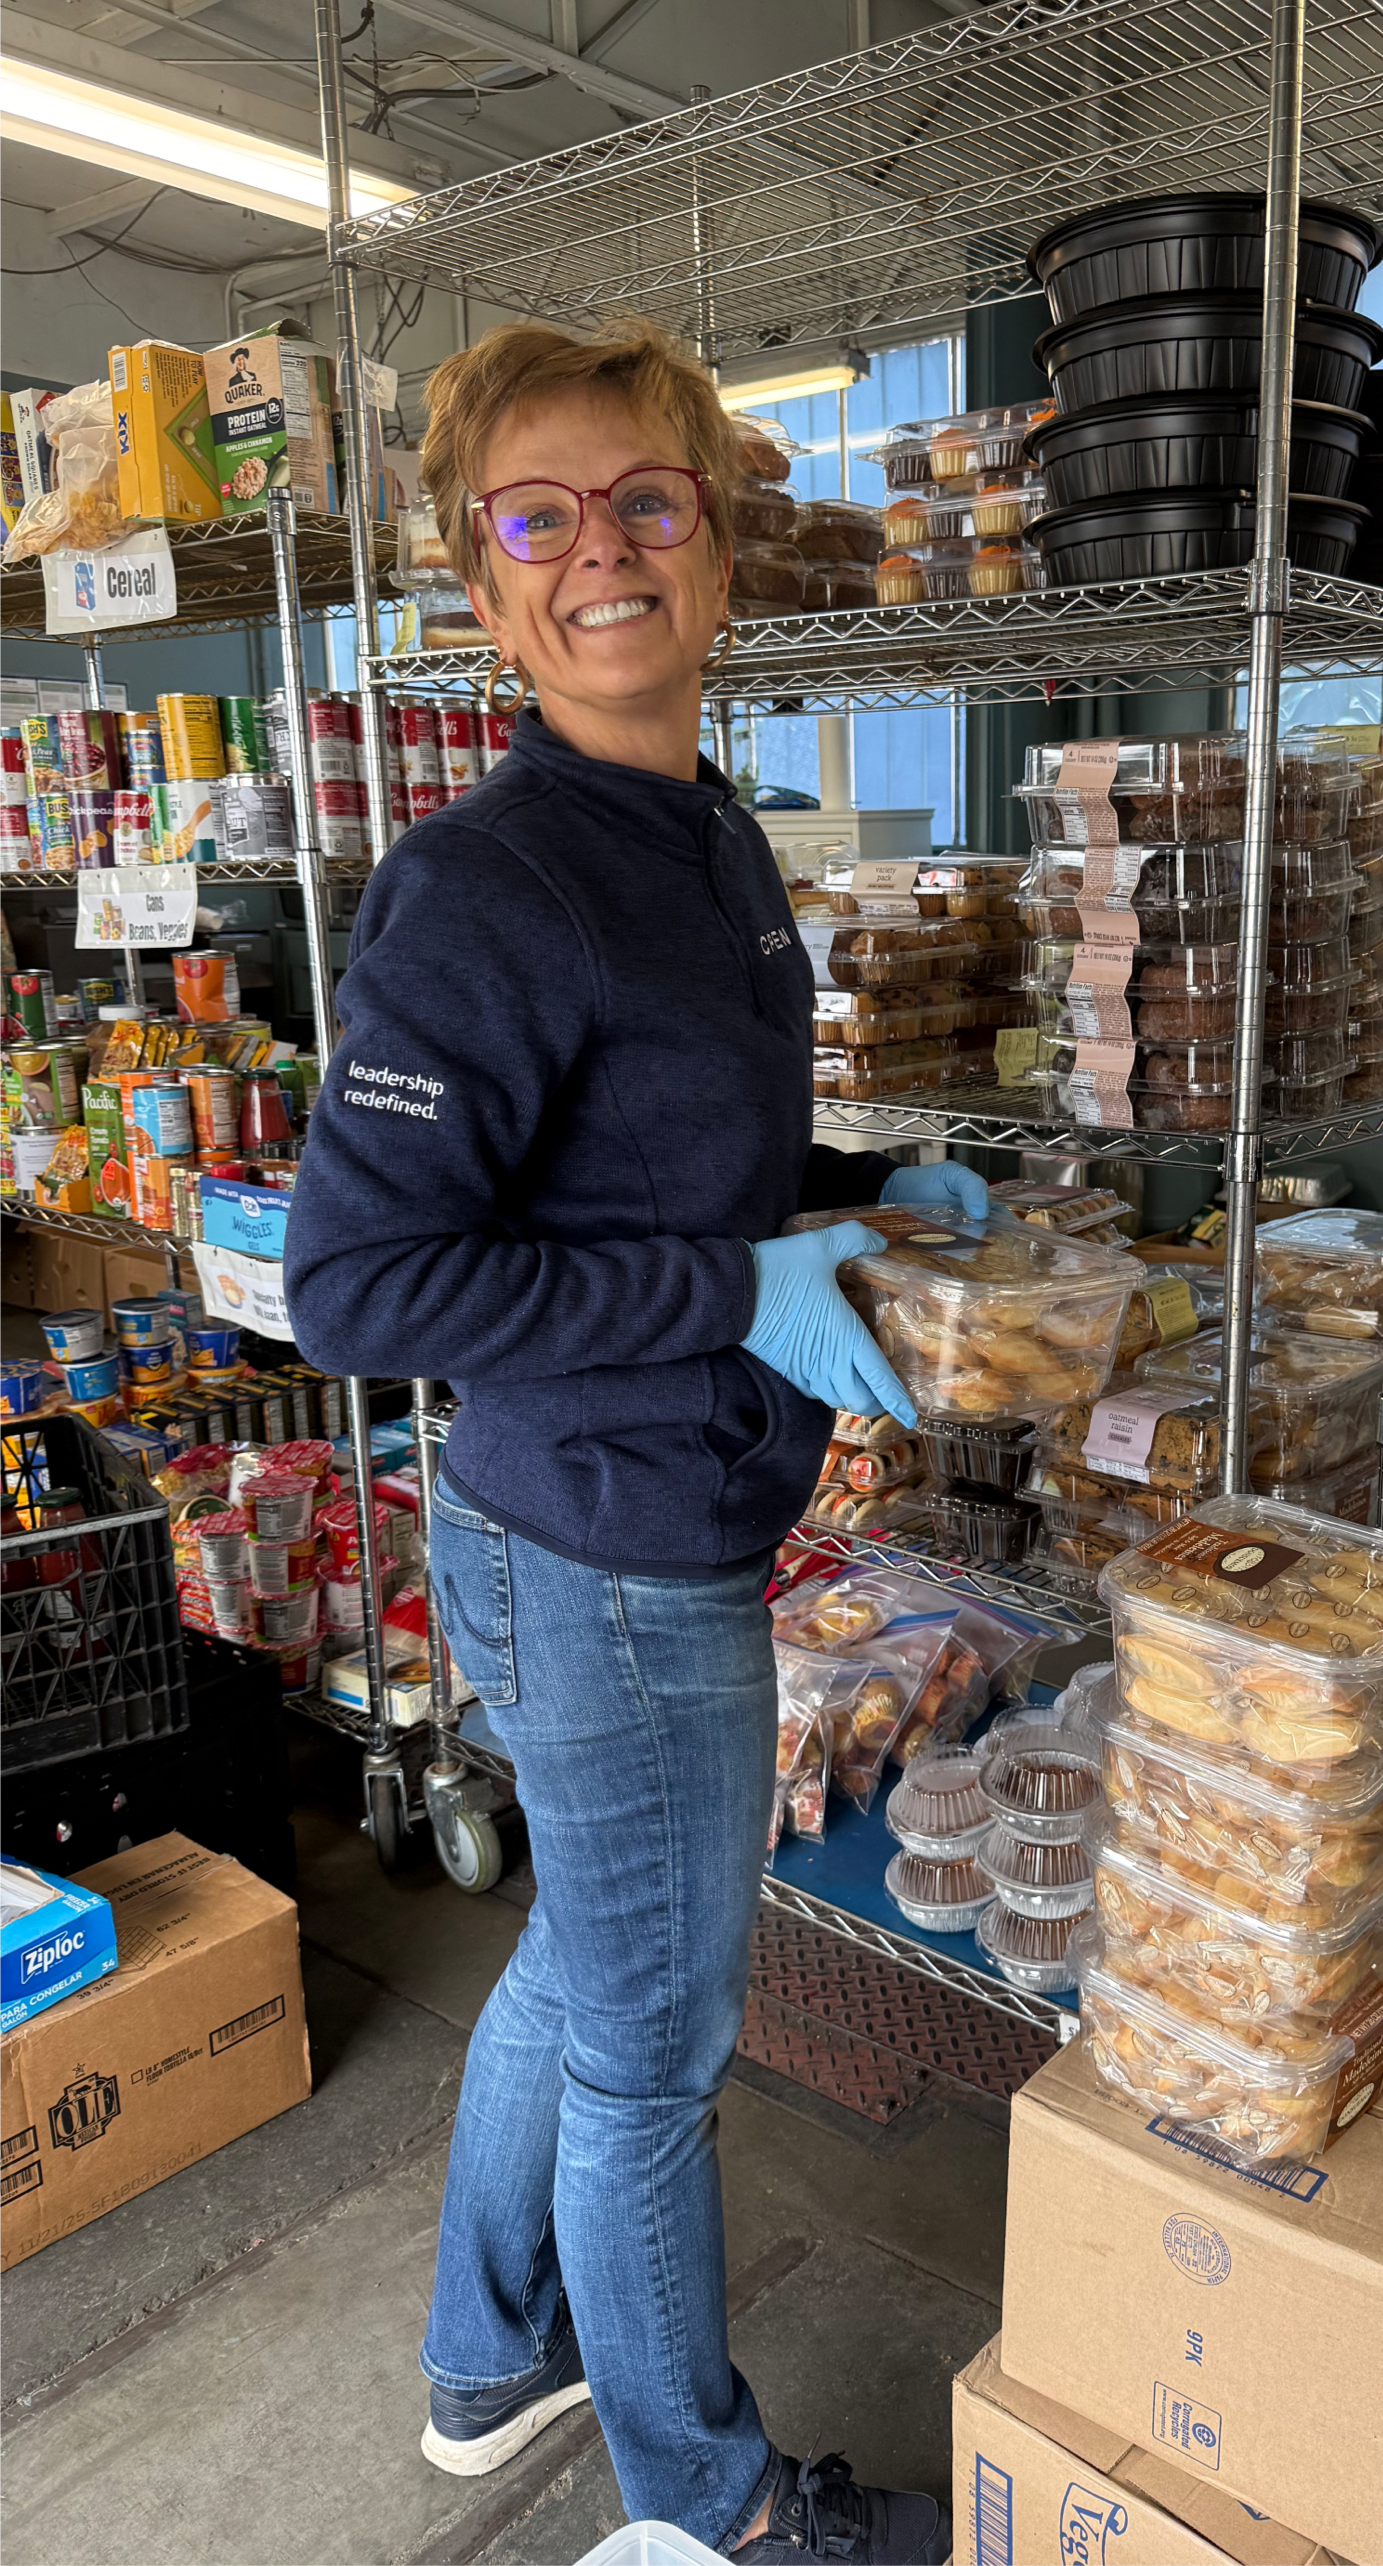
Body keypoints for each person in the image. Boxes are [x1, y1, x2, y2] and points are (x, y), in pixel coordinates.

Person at [285, 315, 972, 2566]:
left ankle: (495, 2364)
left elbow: (642, 1178)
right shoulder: (488, 887)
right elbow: (361, 1286)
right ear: (479, 592)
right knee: (651, 2060)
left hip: (629, 1509)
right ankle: (720, 2507)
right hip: (607, 1551)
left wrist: (848, 1203)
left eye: (646, 501)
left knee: (592, 1968)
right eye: (538, 518)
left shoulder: (700, 834)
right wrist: (741, 1292)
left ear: (716, 549)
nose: (602, 551)